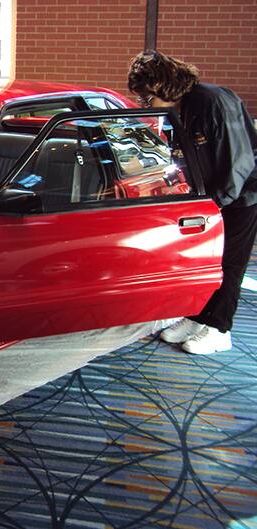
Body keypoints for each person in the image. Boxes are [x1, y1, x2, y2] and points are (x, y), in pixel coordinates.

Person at [128, 50, 257, 355]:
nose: (146, 104)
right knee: (205, 259)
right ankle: (197, 317)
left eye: (148, 97)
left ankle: (219, 329)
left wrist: (215, 206)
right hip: (213, 196)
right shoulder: (179, 109)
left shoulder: (213, 101)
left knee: (229, 263)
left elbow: (237, 161)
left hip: (242, 195)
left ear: (163, 85)